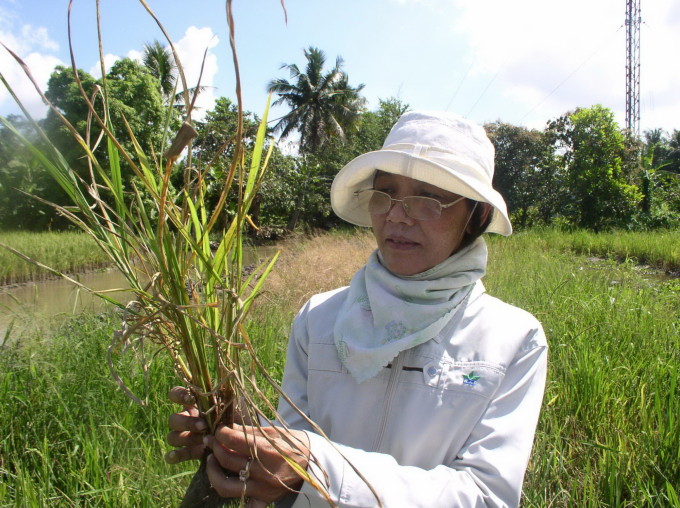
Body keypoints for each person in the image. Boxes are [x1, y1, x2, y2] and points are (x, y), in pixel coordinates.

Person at [166, 111, 548, 508]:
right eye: (385, 194)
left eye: (429, 198)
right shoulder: (319, 318)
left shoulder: (514, 340)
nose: (397, 215)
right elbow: (294, 447)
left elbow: (488, 498)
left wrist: (318, 470)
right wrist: (239, 434)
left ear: (476, 216)